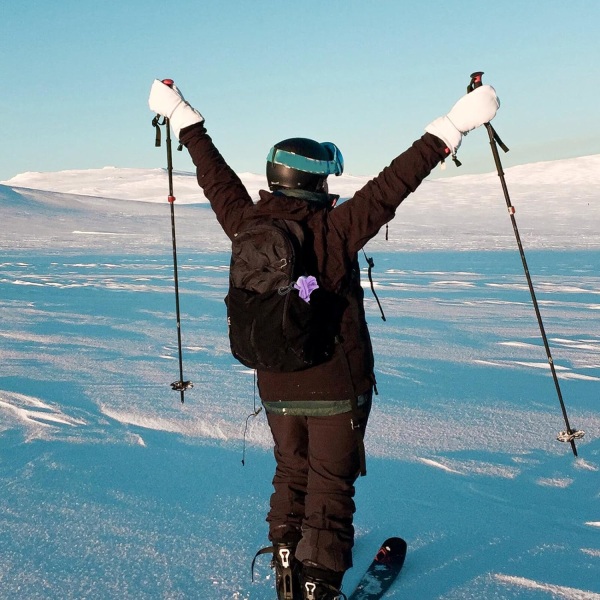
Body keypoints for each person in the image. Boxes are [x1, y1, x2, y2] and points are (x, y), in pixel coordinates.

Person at [148, 79, 499, 600]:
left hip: (274, 383)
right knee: (330, 487)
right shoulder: (334, 231)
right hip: (336, 382)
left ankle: (288, 570)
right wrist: (452, 125)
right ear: (314, 183)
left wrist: (181, 115)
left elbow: (213, 175)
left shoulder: (246, 221)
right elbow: (393, 183)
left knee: (291, 471)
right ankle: (320, 586)